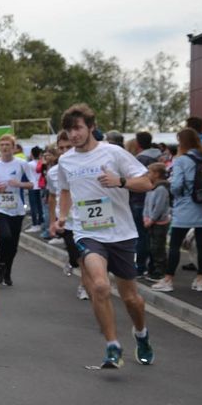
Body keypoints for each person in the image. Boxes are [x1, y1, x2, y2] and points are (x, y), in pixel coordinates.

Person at [52, 103, 154, 369]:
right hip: (87, 232)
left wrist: (120, 181)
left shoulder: (114, 153)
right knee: (98, 285)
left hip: (121, 233)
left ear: (91, 127)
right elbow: (64, 190)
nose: (73, 135)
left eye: (78, 128)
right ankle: (112, 346)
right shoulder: (65, 160)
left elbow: (146, 182)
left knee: (132, 299)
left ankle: (141, 333)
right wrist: (62, 217)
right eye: (68, 130)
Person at [151, 128, 202, 293]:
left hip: (186, 207)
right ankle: (200, 279)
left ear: (182, 142)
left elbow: (177, 185)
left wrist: (174, 192)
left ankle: (168, 279)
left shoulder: (181, 160)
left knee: (174, 244)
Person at [0, 134, 34, 285]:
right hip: (0, 206)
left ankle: (7, 271)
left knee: (13, 243)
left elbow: (32, 184)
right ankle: (1, 263)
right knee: (4, 236)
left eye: (8, 145)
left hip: (17, 208)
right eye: (2, 145)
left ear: (13, 148)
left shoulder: (22, 164)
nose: (5, 148)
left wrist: (18, 184)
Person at [46, 131, 88, 300]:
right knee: (76, 256)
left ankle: (84, 285)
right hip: (66, 221)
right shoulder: (53, 172)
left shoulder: (86, 166)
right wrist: (52, 222)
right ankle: (71, 262)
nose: (65, 151)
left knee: (86, 257)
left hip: (85, 219)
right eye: (61, 148)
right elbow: (51, 197)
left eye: (68, 147)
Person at [131, 131, 162, 277]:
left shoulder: (141, 158)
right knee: (154, 237)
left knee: (141, 236)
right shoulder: (160, 156)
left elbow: (135, 180)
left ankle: (140, 266)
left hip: (140, 200)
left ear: (138, 143)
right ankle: (154, 266)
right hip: (157, 200)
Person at [143, 163, 171, 281]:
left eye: (149, 172)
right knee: (151, 246)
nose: (148, 174)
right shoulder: (151, 188)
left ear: (157, 174)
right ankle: (152, 268)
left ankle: (160, 271)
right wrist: (145, 217)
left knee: (158, 247)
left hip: (159, 223)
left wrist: (152, 219)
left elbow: (159, 207)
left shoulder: (161, 189)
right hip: (150, 221)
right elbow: (146, 204)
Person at [26, 146, 44, 233]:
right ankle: (41, 222)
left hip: (32, 186)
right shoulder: (42, 163)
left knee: (33, 206)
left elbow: (27, 175)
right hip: (40, 186)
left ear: (32, 154)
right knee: (40, 206)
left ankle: (35, 224)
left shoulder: (29, 164)